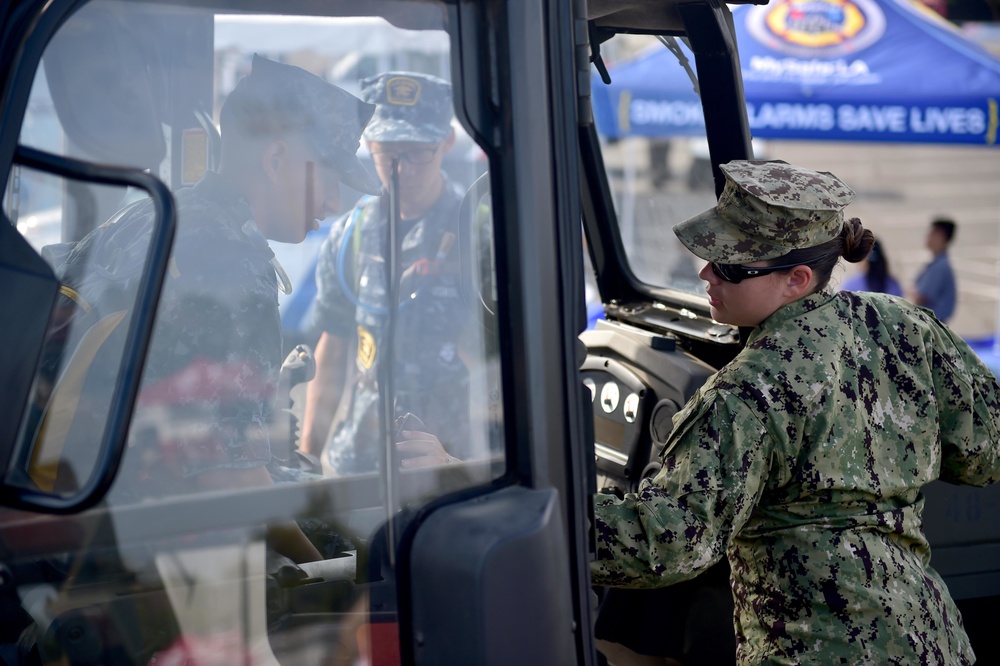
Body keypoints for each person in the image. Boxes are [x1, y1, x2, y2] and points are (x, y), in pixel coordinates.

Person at [591, 160, 1000, 665]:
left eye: (730, 265)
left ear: (797, 279)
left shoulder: (745, 393)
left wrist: (555, 520)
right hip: (932, 642)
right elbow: (985, 456)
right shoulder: (908, 327)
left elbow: (667, 542)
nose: (705, 274)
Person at [60, 54, 383, 563]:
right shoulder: (233, 270)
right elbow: (232, 484)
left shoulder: (152, 214)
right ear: (276, 160)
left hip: (80, 506)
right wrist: (326, 573)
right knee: (375, 560)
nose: (333, 202)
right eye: (328, 176)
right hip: (127, 555)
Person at [301, 71, 470, 475]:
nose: (401, 170)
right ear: (369, 146)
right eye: (388, 154)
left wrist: (475, 466)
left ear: (446, 141)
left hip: (447, 465)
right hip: (361, 464)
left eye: (417, 153)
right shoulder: (349, 235)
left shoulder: (477, 234)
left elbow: (502, 364)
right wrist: (307, 457)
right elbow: (334, 348)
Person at [910, 216, 957, 322]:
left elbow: (921, 296)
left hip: (932, 324)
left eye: (932, 233)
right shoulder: (937, 263)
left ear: (941, 237)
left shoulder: (940, 266)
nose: (928, 237)